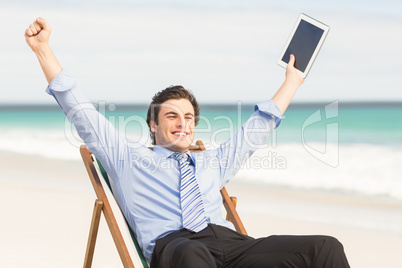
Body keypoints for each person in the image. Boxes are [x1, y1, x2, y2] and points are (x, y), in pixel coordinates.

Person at [25, 17, 350, 268]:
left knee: (325, 248)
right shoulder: (126, 157)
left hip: (232, 245)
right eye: (171, 116)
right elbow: (79, 109)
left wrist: (292, 81)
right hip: (177, 247)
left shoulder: (213, 162)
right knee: (193, 252)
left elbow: (258, 126)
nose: (182, 123)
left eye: (189, 117)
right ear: (153, 125)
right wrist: (43, 50)